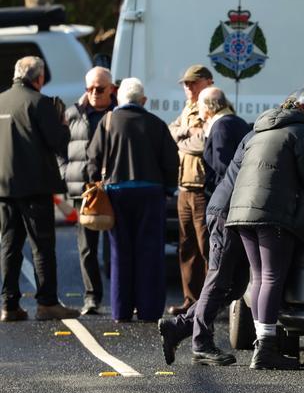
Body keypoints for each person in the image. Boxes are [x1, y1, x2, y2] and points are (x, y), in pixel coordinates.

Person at [226, 98, 304, 370]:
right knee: (270, 276)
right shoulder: (302, 132)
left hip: (242, 211)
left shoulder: (259, 131)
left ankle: (262, 342)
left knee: (258, 277)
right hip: (273, 213)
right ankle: (266, 349)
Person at [158, 130, 253, 367]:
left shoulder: (258, 133)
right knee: (219, 279)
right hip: (228, 213)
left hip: (238, 213)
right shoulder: (265, 137)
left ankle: (177, 328)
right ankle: (201, 344)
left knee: (236, 285)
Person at [87, 78, 178, 322]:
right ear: (143, 100)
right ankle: (149, 310)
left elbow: (93, 160)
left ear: (118, 98)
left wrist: (95, 182)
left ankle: (121, 310)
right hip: (151, 194)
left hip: (116, 193)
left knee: (119, 253)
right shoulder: (156, 124)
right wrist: (169, 189)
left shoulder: (107, 122)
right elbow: (171, 161)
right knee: (150, 252)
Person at [0, 56, 80, 322]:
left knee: (9, 246)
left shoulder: (1, 101)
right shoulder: (41, 103)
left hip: (5, 187)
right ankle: (46, 303)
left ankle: (9, 305)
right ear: (40, 78)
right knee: (42, 246)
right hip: (35, 186)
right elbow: (58, 143)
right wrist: (64, 126)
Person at [60, 66, 116, 315]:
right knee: (87, 248)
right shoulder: (73, 114)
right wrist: (65, 173)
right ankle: (92, 298)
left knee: (118, 247)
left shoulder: (119, 114)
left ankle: (122, 297)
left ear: (112, 89)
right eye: (90, 88)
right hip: (84, 191)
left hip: (115, 189)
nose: (94, 93)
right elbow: (59, 149)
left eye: (100, 88)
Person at [168, 65, 214, 316]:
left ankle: (210, 300)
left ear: (207, 83)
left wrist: (182, 139)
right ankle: (191, 299)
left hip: (200, 186)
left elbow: (203, 143)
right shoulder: (188, 108)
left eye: (192, 83)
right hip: (184, 185)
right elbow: (171, 130)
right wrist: (186, 133)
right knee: (186, 246)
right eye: (186, 84)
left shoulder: (210, 105)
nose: (188, 88)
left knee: (206, 246)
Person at [199, 86, 251, 194]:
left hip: (225, 192)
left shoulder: (220, 126)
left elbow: (222, 166)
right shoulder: (238, 121)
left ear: (207, 107)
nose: (197, 108)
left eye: (199, 104)